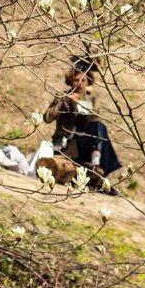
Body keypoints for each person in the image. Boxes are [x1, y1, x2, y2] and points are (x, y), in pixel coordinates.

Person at [44, 55, 121, 192]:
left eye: (83, 80)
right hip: (68, 143)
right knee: (98, 130)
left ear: (88, 82)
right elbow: (47, 117)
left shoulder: (91, 100)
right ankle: (101, 176)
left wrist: (83, 108)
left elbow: (92, 123)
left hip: (86, 142)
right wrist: (65, 103)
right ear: (71, 82)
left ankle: (96, 165)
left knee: (99, 127)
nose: (80, 83)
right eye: (76, 80)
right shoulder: (62, 96)